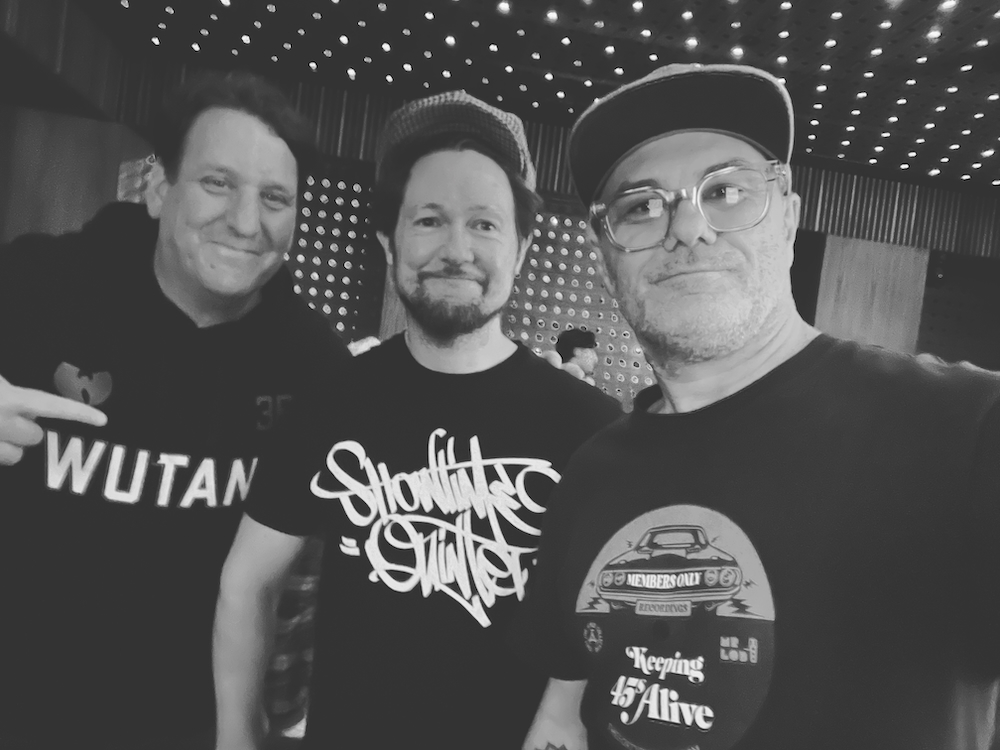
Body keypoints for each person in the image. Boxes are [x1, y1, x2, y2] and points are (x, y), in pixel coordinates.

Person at [517, 62, 1000, 750]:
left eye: (725, 191)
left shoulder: (967, 429)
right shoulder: (593, 471)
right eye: (642, 206)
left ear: (790, 217)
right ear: (606, 254)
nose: (688, 226)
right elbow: (564, 712)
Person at [214, 90, 622, 750]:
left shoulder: (590, 428)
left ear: (522, 249)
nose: (456, 249)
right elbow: (246, 583)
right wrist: (235, 739)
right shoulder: (330, 400)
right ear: (389, 241)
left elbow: (600, 625)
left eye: (485, 224)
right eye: (430, 219)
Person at [0, 70, 350, 749]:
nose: (245, 222)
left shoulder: (315, 367)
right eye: (218, 183)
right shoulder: (39, 285)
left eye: (274, 197)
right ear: (160, 188)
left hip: (192, 725)